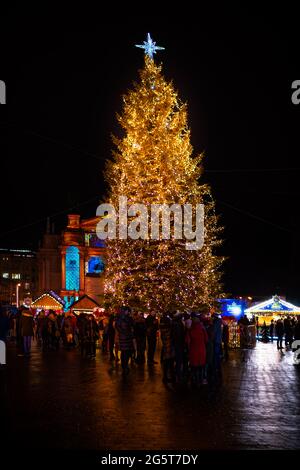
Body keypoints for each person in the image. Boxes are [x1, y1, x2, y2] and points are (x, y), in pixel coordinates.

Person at [187, 316, 208, 386]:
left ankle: (195, 381)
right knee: (201, 367)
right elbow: (206, 340)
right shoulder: (203, 330)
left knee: (194, 367)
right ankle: (201, 380)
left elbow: (187, 341)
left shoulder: (190, 330)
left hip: (193, 351)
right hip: (202, 350)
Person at [115, 307, 134, 374]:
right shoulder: (122, 318)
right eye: (127, 311)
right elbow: (118, 327)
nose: (128, 312)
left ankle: (125, 366)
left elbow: (131, 325)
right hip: (125, 337)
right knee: (125, 352)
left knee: (126, 352)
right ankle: (124, 366)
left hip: (126, 337)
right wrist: (124, 332)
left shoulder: (125, 317)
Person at [160, 313, 175, 383]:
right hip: (169, 347)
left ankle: (166, 376)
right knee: (169, 362)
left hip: (166, 347)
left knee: (166, 362)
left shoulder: (163, 329)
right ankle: (167, 377)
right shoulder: (168, 331)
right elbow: (170, 337)